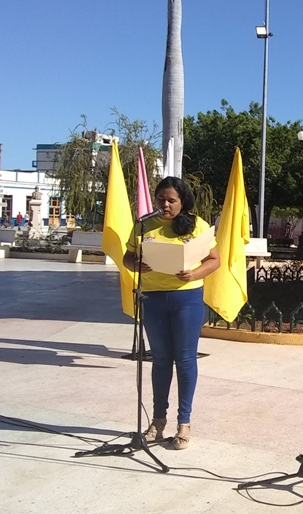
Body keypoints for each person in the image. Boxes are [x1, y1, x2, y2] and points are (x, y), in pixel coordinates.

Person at [122, 176, 220, 450]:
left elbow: (215, 260)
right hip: (153, 298)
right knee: (161, 359)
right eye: (161, 199)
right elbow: (127, 256)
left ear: (182, 201)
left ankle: (184, 423)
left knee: (185, 358)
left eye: (171, 200)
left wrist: (194, 273)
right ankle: (158, 420)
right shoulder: (144, 225)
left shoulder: (197, 224)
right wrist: (135, 265)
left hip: (186, 298)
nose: (165, 205)